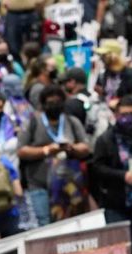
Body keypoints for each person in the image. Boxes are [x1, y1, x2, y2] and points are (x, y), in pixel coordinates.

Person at [16, 83, 90, 227]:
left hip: (68, 184)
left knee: (70, 223)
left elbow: (86, 147)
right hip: (39, 183)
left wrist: (71, 148)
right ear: (43, 104)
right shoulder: (33, 121)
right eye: (50, 103)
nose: (54, 106)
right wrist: (46, 150)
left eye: (57, 102)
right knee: (45, 224)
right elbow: (21, 150)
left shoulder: (71, 121)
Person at [88, 94, 132, 226]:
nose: (128, 118)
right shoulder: (105, 139)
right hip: (116, 202)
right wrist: (122, 176)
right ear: (116, 115)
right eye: (124, 114)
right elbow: (97, 168)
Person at [95, 42, 132, 109]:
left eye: (104, 55)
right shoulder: (103, 73)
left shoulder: (128, 73)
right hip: (105, 110)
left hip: (122, 111)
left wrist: (120, 101)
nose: (102, 59)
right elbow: (100, 90)